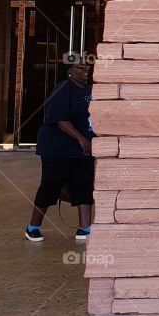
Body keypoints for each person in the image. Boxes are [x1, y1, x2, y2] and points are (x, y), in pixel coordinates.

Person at [25, 57, 94, 244]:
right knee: (51, 184)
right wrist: (81, 139)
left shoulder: (89, 91)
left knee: (84, 184)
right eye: (80, 67)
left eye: (86, 67)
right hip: (58, 146)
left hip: (84, 148)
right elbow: (60, 119)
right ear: (69, 72)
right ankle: (33, 227)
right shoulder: (63, 88)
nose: (85, 70)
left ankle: (85, 228)